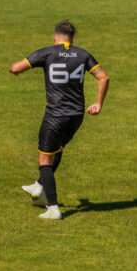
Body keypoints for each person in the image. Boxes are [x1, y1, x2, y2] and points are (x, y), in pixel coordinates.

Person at [9, 20, 109, 220]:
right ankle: (39, 185)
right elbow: (103, 77)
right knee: (57, 149)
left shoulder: (47, 53)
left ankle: (53, 208)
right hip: (76, 116)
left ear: (54, 37)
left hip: (55, 116)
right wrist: (98, 103)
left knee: (45, 160)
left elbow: (15, 68)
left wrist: (16, 69)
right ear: (73, 39)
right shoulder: (83, 55)